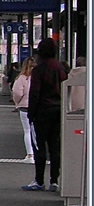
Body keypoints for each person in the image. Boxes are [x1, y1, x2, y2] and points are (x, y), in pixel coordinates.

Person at [23, 37, 67, 191]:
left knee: (39, 147)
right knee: (55, 147)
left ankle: (39, 180)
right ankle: (54, 180)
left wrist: (31, 114)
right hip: (58, 111)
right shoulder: (61, 68)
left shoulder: (39, 70)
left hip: (42, 113)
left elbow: (35, 93)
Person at [11, 56, 36, 164]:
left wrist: (18, 102)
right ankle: (38, 152)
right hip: (37, 107)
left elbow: (17, 93)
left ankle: (30, 155)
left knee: (27, 131)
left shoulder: (21, 78)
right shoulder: (39, 77)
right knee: (36, 131)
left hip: (25, 107)